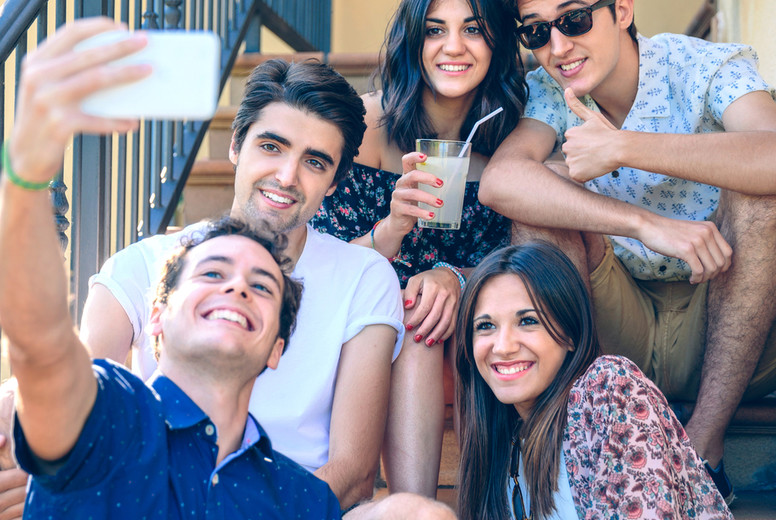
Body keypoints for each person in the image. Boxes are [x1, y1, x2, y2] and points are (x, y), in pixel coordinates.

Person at [0, 20, 406, 517]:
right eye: (271, 146)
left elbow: (354, 474)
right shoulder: (139, 268)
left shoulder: (363, 276)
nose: (286, 175)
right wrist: (25, 168)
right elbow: (54, 364)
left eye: (315, 162)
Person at [479, 0, 776, 503]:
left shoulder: (704, 66)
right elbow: (501, 181)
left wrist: (624, 146)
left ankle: (704, 452)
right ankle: (577, 443)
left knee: (759, 194)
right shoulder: (553, 92)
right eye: (535, 32)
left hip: (731, 325)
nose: (558, 46)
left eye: (574, 19)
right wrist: (645, 224)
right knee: (538, 197)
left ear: (621, 9)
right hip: (620, 326)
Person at [311, 0, 527, 496]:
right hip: (373, 310)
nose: (453, 46)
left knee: (434, 311)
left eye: (472, 29)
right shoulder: (363, 130)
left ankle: (489, 502)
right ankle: (414, 507)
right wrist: (391, 228)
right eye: (435, 31)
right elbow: (322, 260)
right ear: (414, 40)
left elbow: (523, 260)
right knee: (414, 315)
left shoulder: (511, 138)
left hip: (470, 309)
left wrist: (456, 276)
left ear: (496, 40)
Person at [454, 242, 733, 519]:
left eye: (528, 321)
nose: (503, 347)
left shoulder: (609, 387)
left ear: (571, 333)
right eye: (485, 326)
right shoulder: (497, 443)